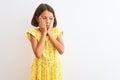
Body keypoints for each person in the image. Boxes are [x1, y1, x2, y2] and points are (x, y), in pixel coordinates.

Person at [26, 3, 64, 80]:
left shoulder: (56, 32)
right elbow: (38, 54)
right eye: (44, 18)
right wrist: (44, 33)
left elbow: (61, 50)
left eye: (50, 18)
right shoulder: (34, 33)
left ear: (54, 19)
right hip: (40, 68)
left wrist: (49, 33)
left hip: (54, 68)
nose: (47, 21)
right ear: (37, 18)